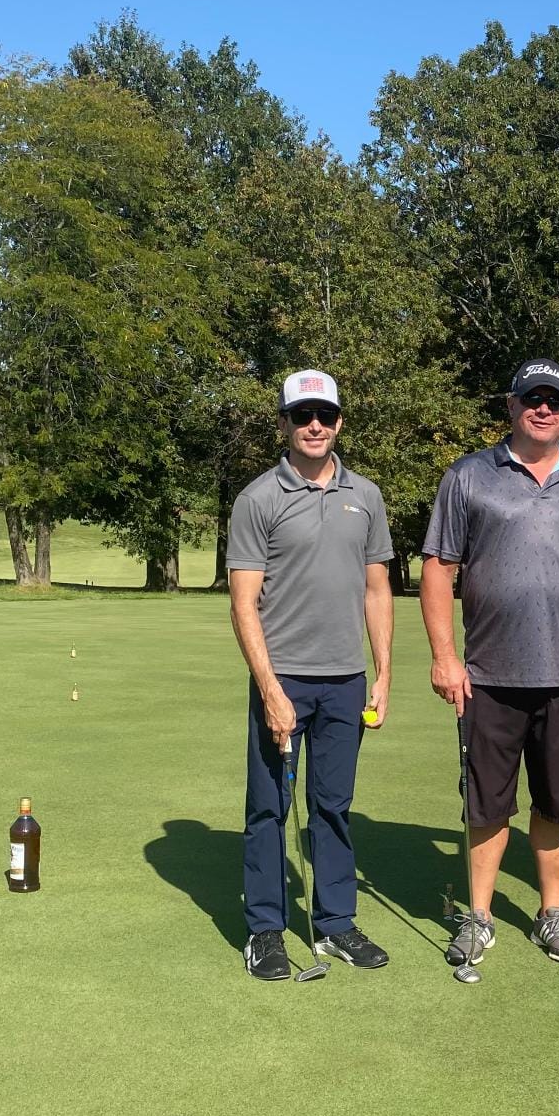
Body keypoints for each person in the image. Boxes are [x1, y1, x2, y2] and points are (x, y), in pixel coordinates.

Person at [420, 357, 559, 967]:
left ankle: (552, 914)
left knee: (556, 802)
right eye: (531, 399)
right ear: (512, 406)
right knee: (486, 805)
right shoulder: (469, 475)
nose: (542, 409)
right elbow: (439, 566)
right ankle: (479, 917)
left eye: (554, 401)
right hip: (487, 675)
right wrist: (445, 656)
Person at [227, 369, 395, 981]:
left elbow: (378, 590)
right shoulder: (258, 499)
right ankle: (266, 931)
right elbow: (244, 604)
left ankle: (335, 923)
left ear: (339, 421)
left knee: (333, 806)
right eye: (303, 416)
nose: (315, 425)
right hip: (285, 679)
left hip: (345, 680)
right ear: (284, 424)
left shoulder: (366, 496)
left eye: (324, 415)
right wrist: (270, 689)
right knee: (269, 808)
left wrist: (383, 673)